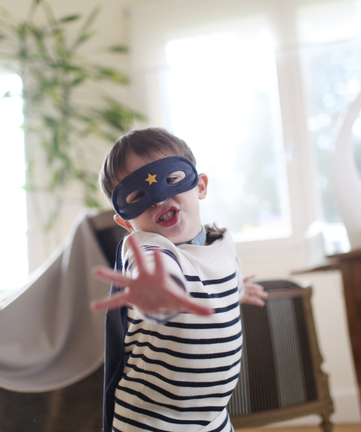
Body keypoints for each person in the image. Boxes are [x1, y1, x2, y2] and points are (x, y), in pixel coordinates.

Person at [90, 127, 268, 432]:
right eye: (137, 196)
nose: (159, 198)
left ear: (200, 186)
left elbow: (207, 277)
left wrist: (235, 290)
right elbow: (160, 274)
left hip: (212, 417)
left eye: (171, 179)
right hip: (150, 421)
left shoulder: (222, 243)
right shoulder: (146, 247)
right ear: (125, 223)